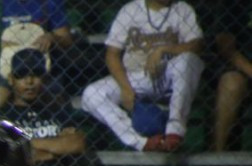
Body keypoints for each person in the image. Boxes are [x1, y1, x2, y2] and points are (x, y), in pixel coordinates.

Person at [80, 0, 203, 152]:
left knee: (189, 60)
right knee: (91, 94)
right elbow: (112, 54)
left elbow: (197, 45)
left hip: (170, 77)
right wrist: (126, 88)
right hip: (136, 78)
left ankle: (174, 131)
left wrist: (166, 49)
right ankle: (142, 143)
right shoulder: (130, 10)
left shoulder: (182, 8)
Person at [0, 47, 86, 166]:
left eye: (36, 74)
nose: (30, 81)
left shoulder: (57, 110)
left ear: (45, 78)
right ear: (11, 79)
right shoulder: (4, 115)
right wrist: (55, 147)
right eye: (22, 75)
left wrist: (25, 143)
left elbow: (76, 144)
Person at [0, 0, 73, 98]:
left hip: (35, 59)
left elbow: (65, 37)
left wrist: (52, 37)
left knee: (54, 85)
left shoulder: (50, 2)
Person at [212, 9, 252, 151]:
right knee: (231, 82)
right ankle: (217, 157)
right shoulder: (235, 5)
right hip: (242, 69)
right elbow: (226, 46)